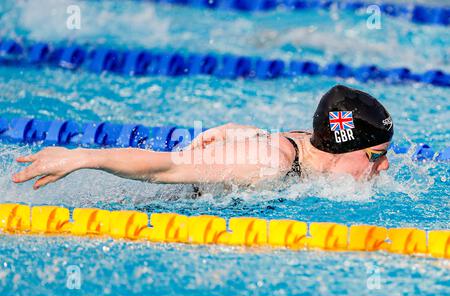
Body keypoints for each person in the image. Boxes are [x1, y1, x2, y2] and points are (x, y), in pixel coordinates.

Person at [12, 85, 393, 190]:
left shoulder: (307, 148)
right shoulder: (268, 164)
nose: (384, 165)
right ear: (343, 147)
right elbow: (164, 168)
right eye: (374, 155)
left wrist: (235, 131)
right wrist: (82, 158)